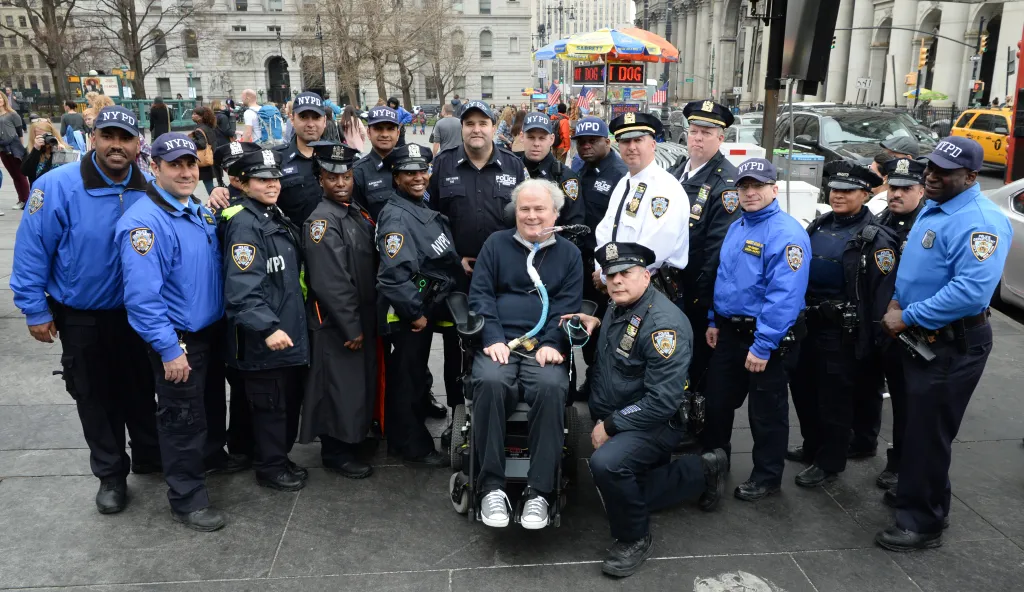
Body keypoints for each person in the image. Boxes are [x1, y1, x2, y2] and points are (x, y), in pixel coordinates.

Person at [11, 105, 160, 515]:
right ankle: (111, 474)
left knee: (141, 389)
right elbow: (31, 249)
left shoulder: (148, 185)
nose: (116, 146)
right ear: (93, 138)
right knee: (96, 397)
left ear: (137, 144)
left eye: (125, 138)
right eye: (108, 136)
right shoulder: (57, 185)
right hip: (83, 315)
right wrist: (34, 308)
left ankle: (150, 455)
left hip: (138, 316)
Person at [875, 137, 1012, 551]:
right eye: (930, 169)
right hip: (922, 336)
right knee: (918, 427)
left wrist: (907, 316)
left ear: (971, 177)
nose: (930, 177)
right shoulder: (936, 206)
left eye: (942, 173)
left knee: (928, 433)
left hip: (953, 342)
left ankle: (922, 523)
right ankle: (922, 494)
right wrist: (899, 298)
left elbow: (970, 292)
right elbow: (919, 266)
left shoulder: (979, 221)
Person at [572, 242, 727, 578]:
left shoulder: (662, 326)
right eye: (610, 275)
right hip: (626, 409)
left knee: (608, 466)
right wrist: (596, 323)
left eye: (625, 273)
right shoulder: (622, 303)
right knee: (628, 490)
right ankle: (703, 472)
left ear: (646, 275)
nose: (616, 281)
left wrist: (610, 425)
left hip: (656, 420)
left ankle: (633, 537)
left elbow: (662, 401)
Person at [115, 132, 226, 531]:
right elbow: (143, 298)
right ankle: (187, 498)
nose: (185, 172)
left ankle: (209, 463)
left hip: (208, 331)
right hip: (179, 339)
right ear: (154, 167)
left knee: (207, 410)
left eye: (191, 164)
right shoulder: (144, 223)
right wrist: (168, 348)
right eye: (175, 165)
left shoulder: (194, 209)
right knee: (182, 420)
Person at [468, 178, 583, 530]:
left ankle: (539, 492)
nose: (532, 216)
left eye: (540, 209)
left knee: (551, 388)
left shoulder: (569, 254)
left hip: (543, 346)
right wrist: (493, 336)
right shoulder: (496, 244)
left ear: (556, 212)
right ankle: (491, 487)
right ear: (515, 212)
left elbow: (566, 306)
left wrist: (553, 342)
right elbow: (481, 295)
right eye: (524, 209)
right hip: (501, 341)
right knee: (489, 381)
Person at [701, 158, 810, 502]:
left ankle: (767, 477)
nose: (749, 193)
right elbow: (725, 277)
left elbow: (785, 297)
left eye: (757, 186)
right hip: (730, 331)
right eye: (744, 187)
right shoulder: (739, 225)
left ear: (774, 190)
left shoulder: (787, 234)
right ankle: (713, 466)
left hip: (765, 338)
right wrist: (713, 319)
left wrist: (763, 346)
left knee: (766, 412)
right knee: (717, 404)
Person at [787, 162, 900, 488]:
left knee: (833, 401)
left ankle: (830, 461)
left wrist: (872, 341)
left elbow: (881, 296)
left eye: (847, 191)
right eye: (835, 189)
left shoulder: (876, 239)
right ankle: (812, 446)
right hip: (809, 323)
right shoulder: (819, 224)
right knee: (804, 390)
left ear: (865, 195)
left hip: (842, 333)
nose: (838, 196)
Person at [427, 100, 529, 413]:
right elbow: (430, 221)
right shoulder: (443, 164)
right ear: (461, 128)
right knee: (455, 344)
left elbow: (526, 220)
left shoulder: (513, 166)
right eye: (469, 123)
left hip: (504, 275)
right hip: (457, 274)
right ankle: (458, 412)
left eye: (483, 123)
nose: (476, 129)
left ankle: (505, 406)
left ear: (494, 128)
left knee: (505, 337)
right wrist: (453, 257)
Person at [219, 147, 309, 492]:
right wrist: (268, 327)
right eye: (262, 179)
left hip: (282, 324)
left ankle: (265, 456)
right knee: (271, 403)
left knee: (273, 400)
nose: (272, 185)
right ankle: (271, 467)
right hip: (264, 335)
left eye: (275, 179)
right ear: (243, 183)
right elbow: (242, 288)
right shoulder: (244, 223)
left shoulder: (270, 214)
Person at [376, 143, 460, 467]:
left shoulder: (417, 204)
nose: (418, 178)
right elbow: (395, 274)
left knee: (414, 376)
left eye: (422, 171)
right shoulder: (396, 215)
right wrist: (416, 313)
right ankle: (411, 446)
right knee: (406, 380)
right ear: (396, 177)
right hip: (410, 311)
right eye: (409, 173)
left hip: (427, 301)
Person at [299, 143, 377, 479]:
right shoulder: (322, 221)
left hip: (361, 316)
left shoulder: (352, 211)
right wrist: (351, 327)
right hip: (337, 323)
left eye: (346, 175)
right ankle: (336, 451)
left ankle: (353, 438)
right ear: (321, 180)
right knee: (338, 388)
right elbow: (331, 282)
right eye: (332, 177)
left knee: (355, 387)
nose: (341, 182)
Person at [857, 156, 927, 492]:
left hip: (906, 326)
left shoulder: (926, 225)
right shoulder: (883, 215)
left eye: (905, 188)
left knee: (904, 400)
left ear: (921, 191)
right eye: (894, 186)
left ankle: (900, 462)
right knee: (868, 385)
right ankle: (863, 440)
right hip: (874, 320)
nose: (896, 194)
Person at [667, 100, 741, 394]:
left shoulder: (726, 183)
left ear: (721, 138)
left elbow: (717, 249)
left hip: (696, 291)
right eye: (694, 131)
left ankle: (695, 421)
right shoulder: (675, 171)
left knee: (696, 360)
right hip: (667, 284)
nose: (697, 138)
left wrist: (702, 298)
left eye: (706, 133)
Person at [594, 112, 689, 304]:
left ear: (653, 144)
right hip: (622, 286)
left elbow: (655, 249)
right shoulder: (624, 183)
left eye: (638, 140)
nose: (631, 147)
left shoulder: (665, 187)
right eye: (625, 141)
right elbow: (605, 231)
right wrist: (604, 269)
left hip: (654, 290)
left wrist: (608, 275)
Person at [572, 116, 628, 397]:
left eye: (592, 141)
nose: (586, 146)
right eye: (581, 141)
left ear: (608, 141)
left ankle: (600, 384)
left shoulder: (620, 174)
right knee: (583, 322)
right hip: (580, 262)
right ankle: (591, 378)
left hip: (605, 266)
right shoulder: (580, 169)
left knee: (605, 328)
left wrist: (608, 270)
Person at [513, 112, 585, 231]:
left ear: (552, 139)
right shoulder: (511, 170)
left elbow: (574, 225)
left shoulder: (565, 177)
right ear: (522, 137)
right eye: (531, 137)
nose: (536, 144)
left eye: (542, 138)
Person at [273, 91, 327, 224]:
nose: (310, 124)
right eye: (303, 117)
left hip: (335, 241)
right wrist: (220, 191)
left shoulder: (340, 156)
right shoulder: (275, 159)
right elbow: (248, 189)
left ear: (324, 121)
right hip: (294, 241)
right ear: (292, 119)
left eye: (316, 117)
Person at [352, 106, 402, 219]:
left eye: (390, 129)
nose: (385, 134)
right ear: (368, 132)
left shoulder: (409, 165)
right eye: (379, 128)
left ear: (398, 133)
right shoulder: (358, 173)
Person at [21, 119, 72, 184]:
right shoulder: (30, 150)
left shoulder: (61, 147)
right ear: (34, 136)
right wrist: (36, 149)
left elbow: (70, 172)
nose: (44, 138)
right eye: (40, 136)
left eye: (47, 135)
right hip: (40, 190)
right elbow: (25, 172)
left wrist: (62, 151)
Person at [0, 91, 28, 208]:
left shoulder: (12, 114)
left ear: (4, 99)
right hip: (2, 148)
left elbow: (19, 132)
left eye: (0, 98)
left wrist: (21, 150)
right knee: (14, 175)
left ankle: (26, 200)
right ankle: (21, 199)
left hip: (14, 147)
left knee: (20, 174)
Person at [190, 106, 221, 193]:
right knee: (210, 184)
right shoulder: (209, 127)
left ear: (201, 116)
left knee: (209, 186)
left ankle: (216, 201)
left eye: (195, 114)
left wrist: (191, 140)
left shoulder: (199, 129)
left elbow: (202, 144)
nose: (192, 116)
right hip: (212, 157)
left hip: (204, 161)